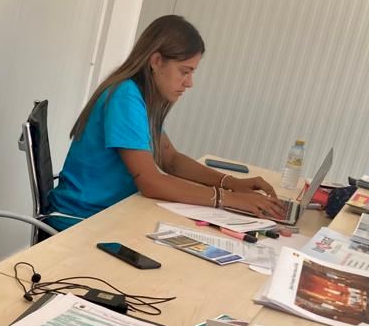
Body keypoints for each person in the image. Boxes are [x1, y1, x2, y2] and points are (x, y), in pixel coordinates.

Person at [47, 14, 286, 229]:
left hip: (108, 214)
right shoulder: (125, 96)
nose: (189, 83)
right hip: (78, 221)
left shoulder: (140, 95)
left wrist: (231, 183)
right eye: (184, 71)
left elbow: (170, 158)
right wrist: (229, 199)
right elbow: (151, 182)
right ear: (156, 61)